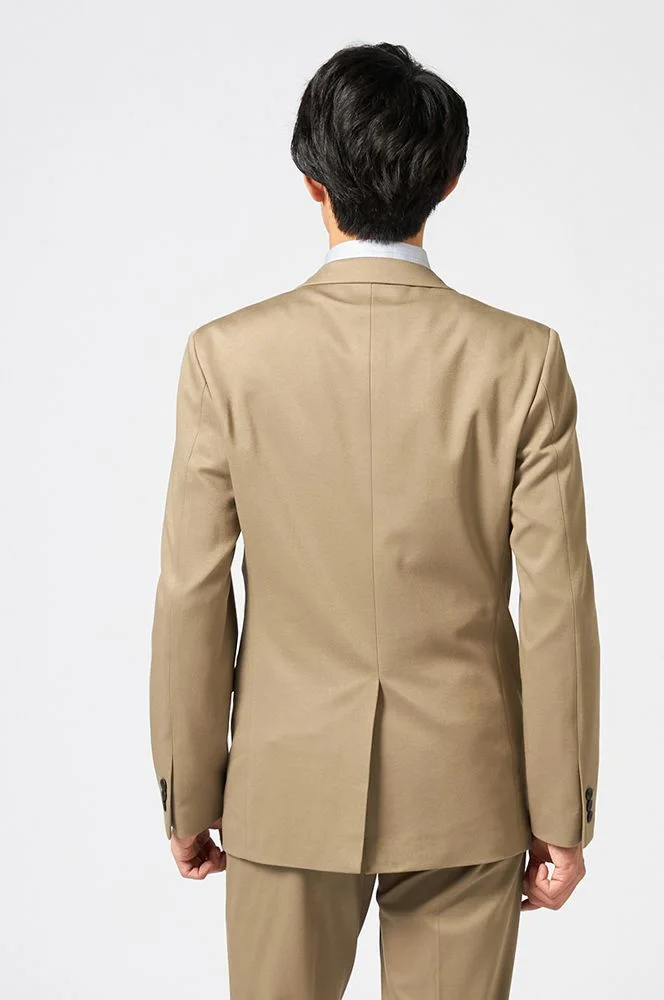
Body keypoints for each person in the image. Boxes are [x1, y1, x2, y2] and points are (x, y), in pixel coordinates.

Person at [149, 40, 600, 1000]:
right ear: (448, 181)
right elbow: (556, 603)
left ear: (311, 182)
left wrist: (190, 790)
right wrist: (562, 811)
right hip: (466, 792)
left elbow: (193, 591)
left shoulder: (227, 358)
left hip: (283, 789)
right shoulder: (522, 360)